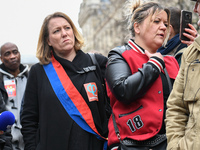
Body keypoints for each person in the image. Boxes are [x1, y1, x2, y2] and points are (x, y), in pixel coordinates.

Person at [20, 12, 109, 150]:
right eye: (56, 31)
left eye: (67, 28)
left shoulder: (97, 63)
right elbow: (29, 119)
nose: (64, 34)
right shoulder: (38, 72)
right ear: (48, 40)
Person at [105, 0, 179, 149]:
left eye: (165, 23)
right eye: (156, 21)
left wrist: (195, 51)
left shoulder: (172, 61)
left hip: (169, 143)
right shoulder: (119, 55)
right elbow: (123, 91)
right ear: (137, 27)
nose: (163, 27)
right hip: (130, 144)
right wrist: (153, 65)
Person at [165, 0, 200, 149]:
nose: (195, 9)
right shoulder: (191, 53)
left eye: (199, 2)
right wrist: (176, 146)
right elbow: (175, 107)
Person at [0, 42, 29, 150]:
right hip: (6, 142)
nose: (12, 56)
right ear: (2, 58)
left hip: (29, 140)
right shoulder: (0, 80)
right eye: (7, 54)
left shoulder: (30, 78)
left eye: (15, 52)